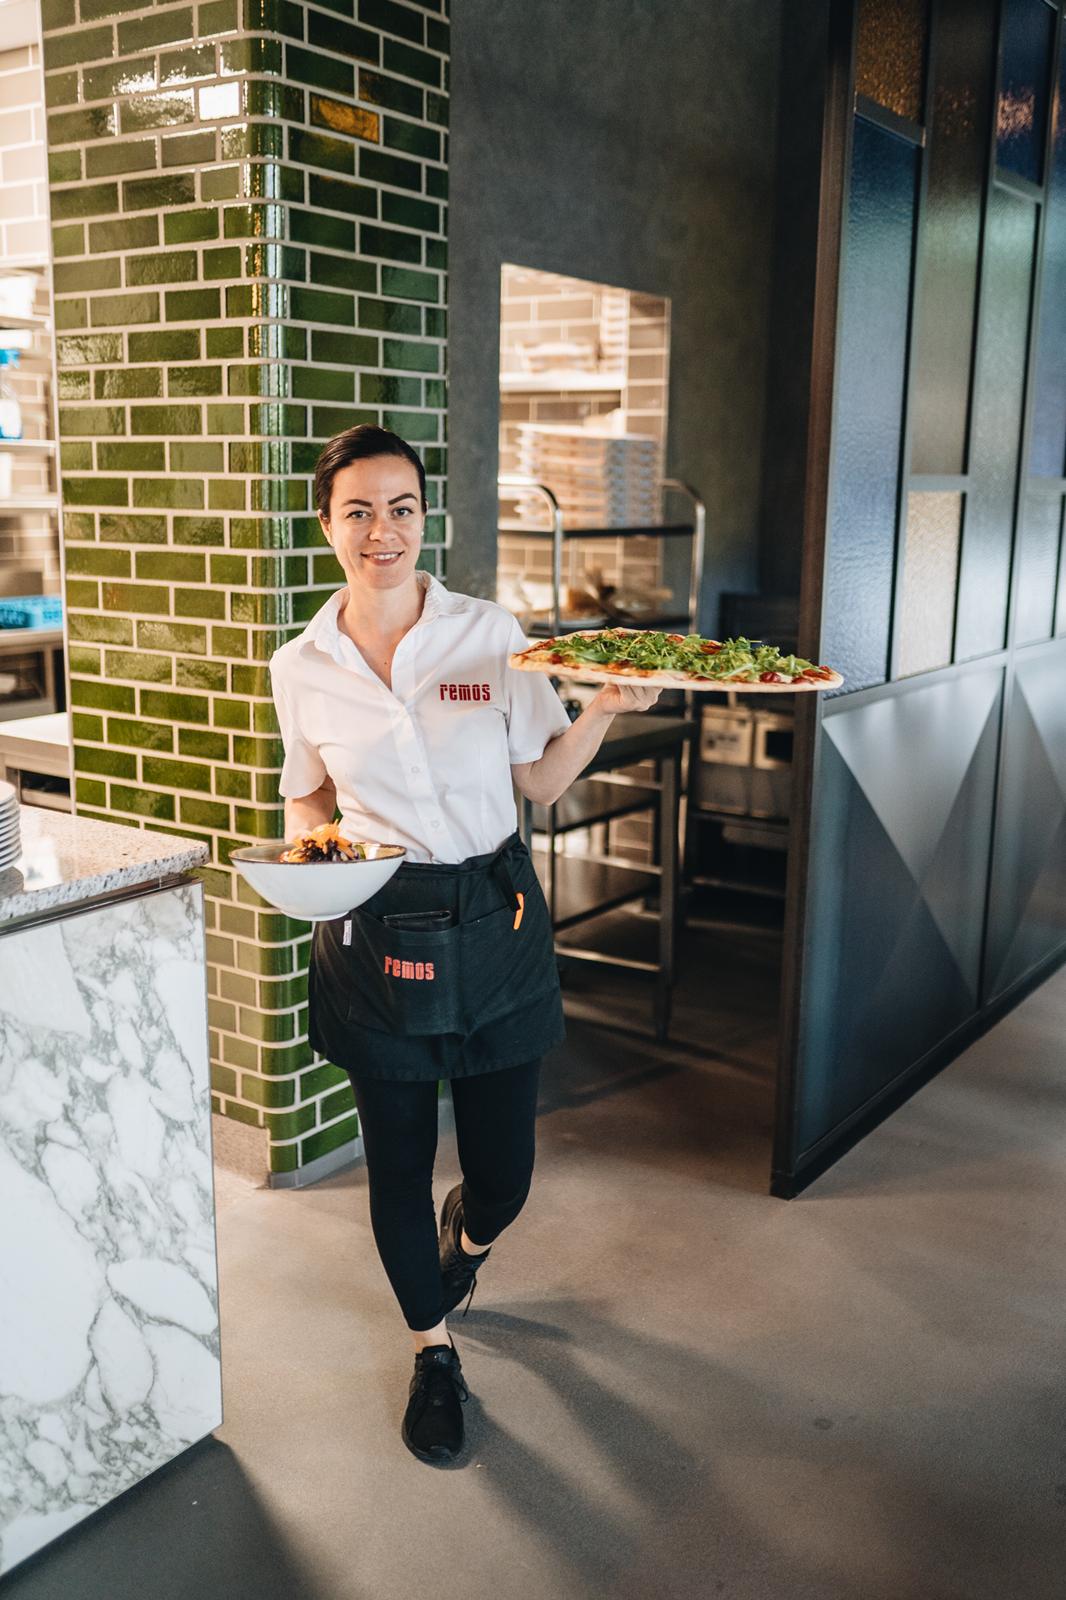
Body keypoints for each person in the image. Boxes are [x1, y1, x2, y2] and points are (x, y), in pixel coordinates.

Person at [269, 424, 661, 1465]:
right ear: (326, 524)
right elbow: (308, 793)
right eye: (358, 510)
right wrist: (310, 858)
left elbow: (539, 780)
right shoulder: (299, 666)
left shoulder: (490, 634)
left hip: (494, 916)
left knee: (504, 1173)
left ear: (423, 517)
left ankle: (468, 1239)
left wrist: (603, 709)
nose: (382, 530)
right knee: (396, 1164)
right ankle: (432, 1352)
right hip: (377, 925)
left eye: (400, 507)